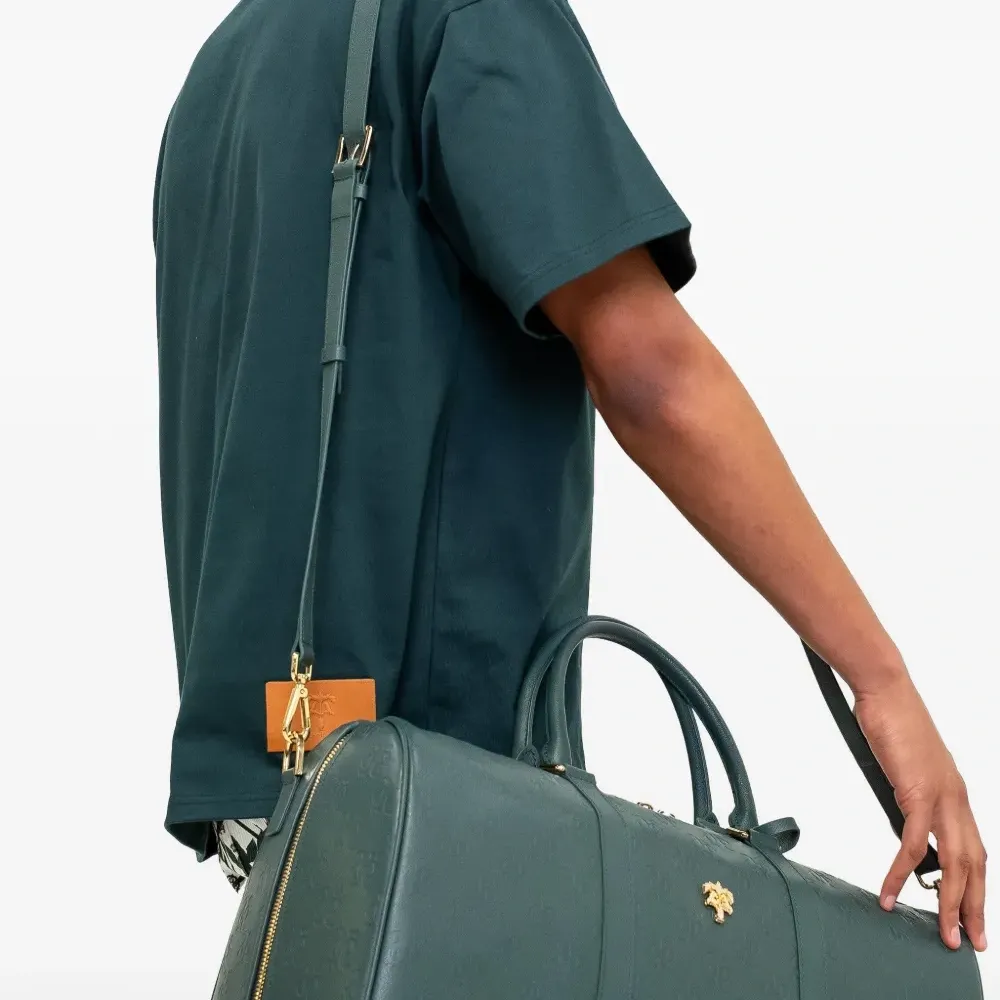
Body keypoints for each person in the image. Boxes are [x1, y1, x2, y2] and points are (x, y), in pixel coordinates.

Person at [152, 0, 986, 953]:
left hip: (279, 802)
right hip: (444, 803)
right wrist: (880, 680)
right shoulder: (472, 18)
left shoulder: (218, 75)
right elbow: (652, 376)